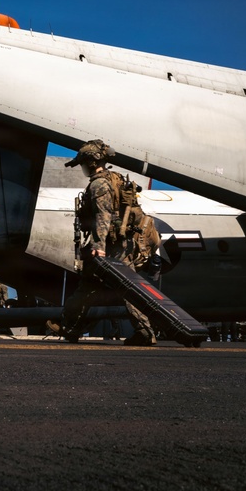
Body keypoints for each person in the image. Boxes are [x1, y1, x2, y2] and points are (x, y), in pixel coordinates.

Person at [57, 140, 157, 346]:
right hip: (121, 243)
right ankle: (73, 327)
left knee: (93, 287)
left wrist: (99, 247)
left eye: (84, 163)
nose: (83, 168)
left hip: (111, 247)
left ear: (91, 162)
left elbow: (102, 217)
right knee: (111, 287)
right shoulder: (115, 178)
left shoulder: (99, 184)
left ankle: (71, 327)